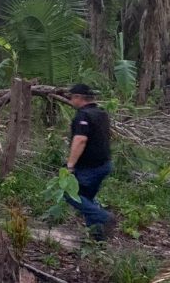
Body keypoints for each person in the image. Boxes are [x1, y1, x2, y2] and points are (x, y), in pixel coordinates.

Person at [66, 83, 115, 241]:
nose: (71, 100)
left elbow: (80, 140)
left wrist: (70, 165)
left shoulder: (83, 116)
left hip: (90, 167)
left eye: (72, 97)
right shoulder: (101, 113)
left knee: (71, 195)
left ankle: (104, 217)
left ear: (79, 98)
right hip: (104, 164)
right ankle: (97, 237)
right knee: (87, 198)